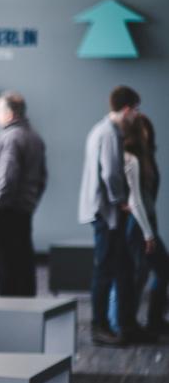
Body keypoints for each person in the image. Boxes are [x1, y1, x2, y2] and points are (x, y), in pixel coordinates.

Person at [78, 86, 142, 346]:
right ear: (126, 109)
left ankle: (122, 323)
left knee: (119, 268)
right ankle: (100, 327)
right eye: (136, 111)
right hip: (107, 213)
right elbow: (110, 173)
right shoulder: (110, 133)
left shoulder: (102, 130)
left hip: (105, 212)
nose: (137, 116)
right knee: (105, 270)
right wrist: (122, 201)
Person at [0, 91, 47, 296]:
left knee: (7, 264)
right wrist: (32, 202)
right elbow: (43, 177)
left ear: (9, 113)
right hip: (23, 209)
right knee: (22, 260)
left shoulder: (10, 138)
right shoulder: (34, 136)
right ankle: (25, 306)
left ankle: (9, 309)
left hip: (6, 210)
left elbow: (7, 176)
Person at [120, 114, 169, 334]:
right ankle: (131, 324)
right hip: (137, 222)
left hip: (148, 219)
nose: (146, 134)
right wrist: (148, 233)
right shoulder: (130, 157)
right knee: (140, 273)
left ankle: (154, 320)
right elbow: (135, 198)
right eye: (142, 130)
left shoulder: (147, 155)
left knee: (159, 270)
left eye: (147, 129)